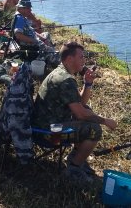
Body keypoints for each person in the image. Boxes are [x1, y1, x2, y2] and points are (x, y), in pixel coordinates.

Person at [31, 41, 117, 183]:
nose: (84, 61)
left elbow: (80, 104)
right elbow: (80, 114)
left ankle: (75, 158)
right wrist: (105, 121)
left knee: (88, 113)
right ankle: (74, 169)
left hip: (46, 124)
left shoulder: (62, 72)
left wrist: (87, 83)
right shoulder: (65, 79)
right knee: (94, 129)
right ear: (70, 59)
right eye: (81, 57)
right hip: (48, 133)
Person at [13, 0, 58, 66]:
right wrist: (34, 40)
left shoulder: (22, 17)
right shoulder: (19, 19)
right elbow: (18, 35)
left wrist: (43, 38)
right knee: (49, 49)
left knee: (46, 34)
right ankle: (53, 59)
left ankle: (51, 50)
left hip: (33, 39)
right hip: (28, 44)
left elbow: (31, 30)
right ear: (22, 8)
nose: (30, 10)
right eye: (28, 8)